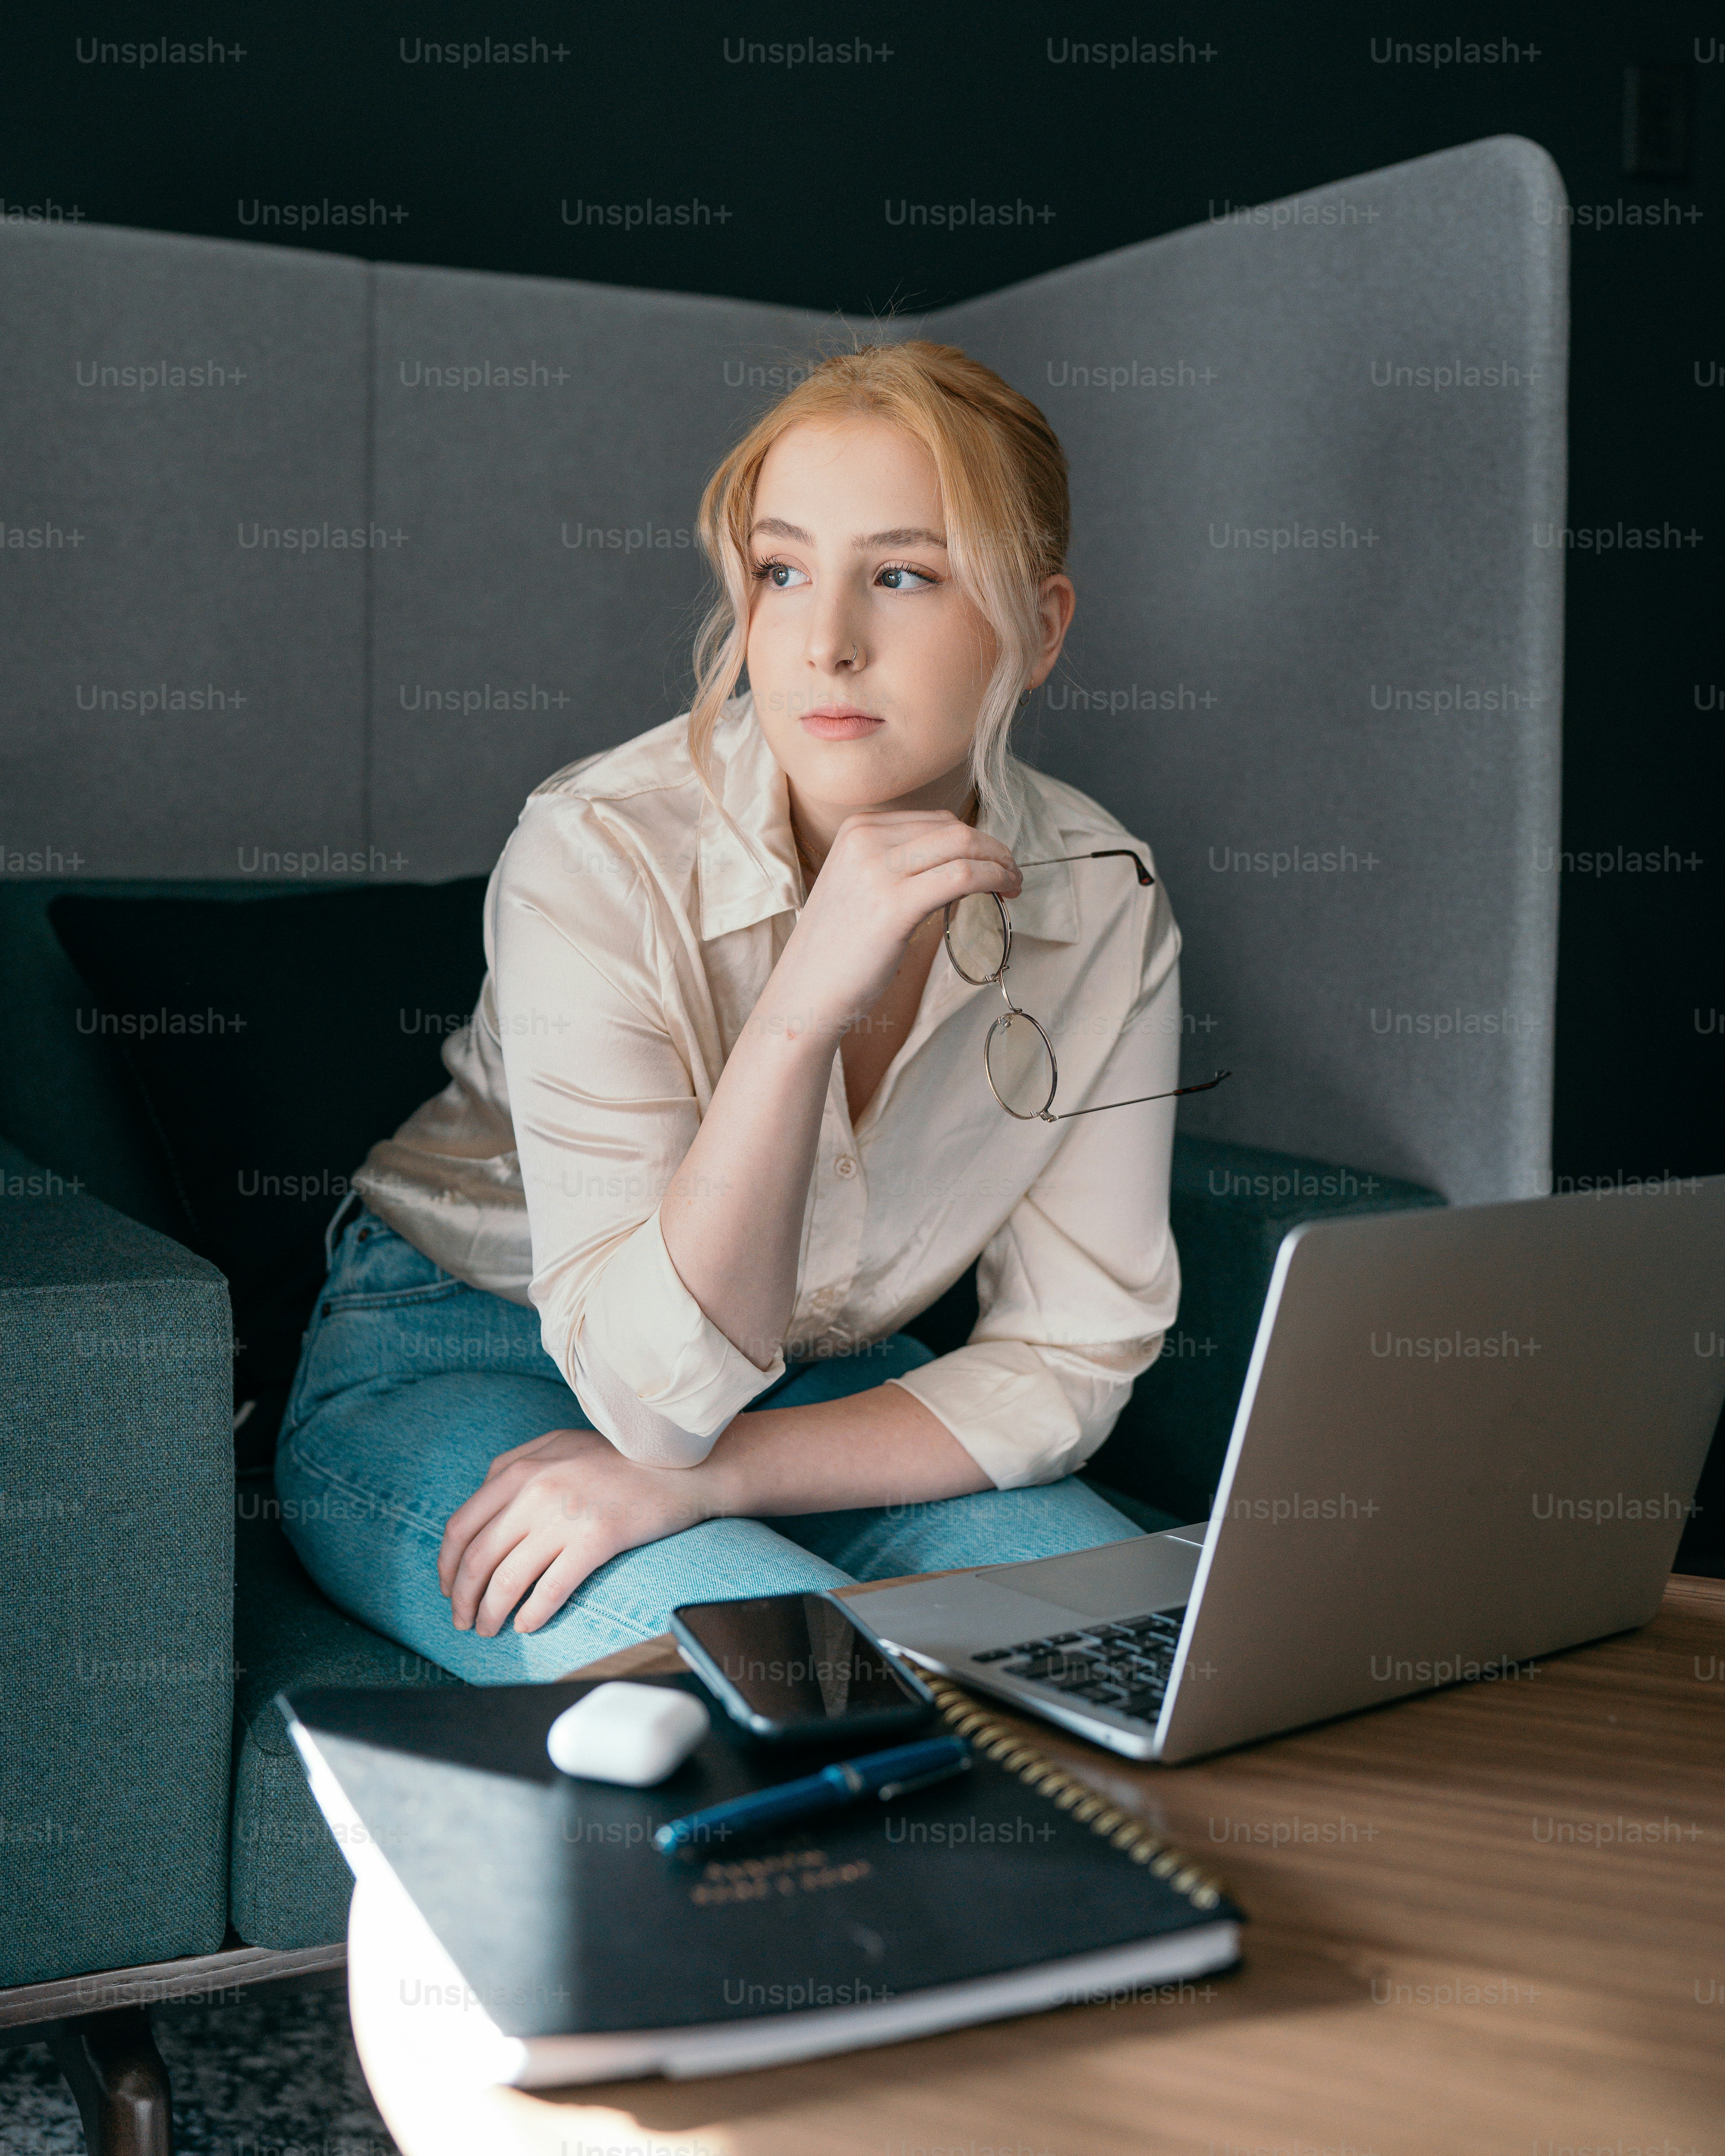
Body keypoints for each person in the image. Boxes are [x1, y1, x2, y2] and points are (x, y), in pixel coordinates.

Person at [276, 339, 1187, 1682]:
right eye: (781, 571)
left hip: (811, 1381)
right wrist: (798, 1015)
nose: (825, 641)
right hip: (461, 1342)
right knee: (785, 1671)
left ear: (1042, 626)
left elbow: (1070, 1349)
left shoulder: (1104, 898)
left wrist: (718, 1481)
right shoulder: (596, 850)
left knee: (1111, 1638)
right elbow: (650, 1404)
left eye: (901, 574)